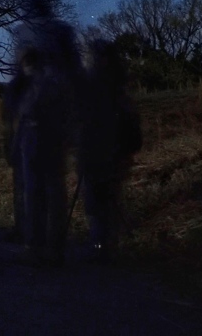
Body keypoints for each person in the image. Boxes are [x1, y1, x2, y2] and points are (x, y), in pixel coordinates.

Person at [5, 0, 81, 265]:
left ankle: (34, 243)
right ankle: (55, 245)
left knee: (33, 186)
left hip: (32, 121)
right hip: (56, 120)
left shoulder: (23, 32)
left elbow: (18, 76)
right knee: (54, 185)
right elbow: (76, 73)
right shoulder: (63, 32)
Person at [79, 38, 142, 262]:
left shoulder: (109, 88)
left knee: (105, 199)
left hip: (110, 150)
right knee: (100, 199)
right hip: (101, 150)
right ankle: (103, 244)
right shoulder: (106, 86)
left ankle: (105, 245)